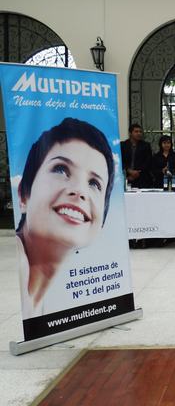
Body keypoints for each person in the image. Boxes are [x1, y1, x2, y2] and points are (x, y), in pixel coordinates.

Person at [15, 118, 114, 318]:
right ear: (24, 194)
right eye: (61, 169)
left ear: (102, 222)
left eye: (94, 183)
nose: (79, 191)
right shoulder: (19, 266)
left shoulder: (39, 305)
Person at [120, 123, 152, 189]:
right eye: (136, 131)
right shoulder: (123, 145)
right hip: (126, 176)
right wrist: (129, 171)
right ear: (130, 133)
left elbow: (148, 161)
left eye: (140, 132)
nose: (139, 133)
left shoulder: (146, 146)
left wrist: (137, 173)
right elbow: (120, 160)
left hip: (142, 178)